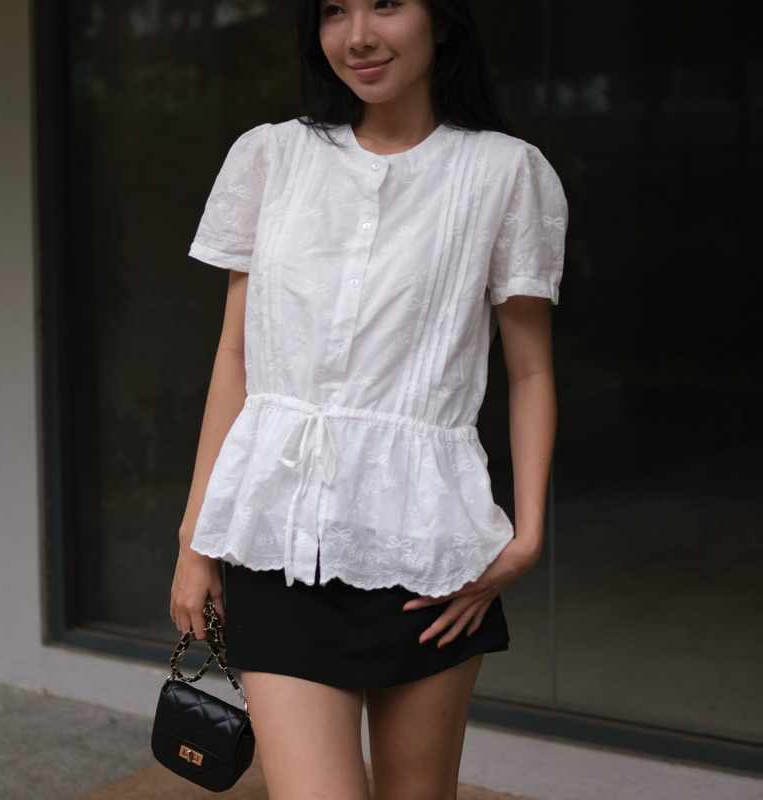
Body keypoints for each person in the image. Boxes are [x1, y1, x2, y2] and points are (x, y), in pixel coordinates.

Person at [170, 0, 567, 797]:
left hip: (430, 557)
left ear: (442, 20)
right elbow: (236, 357)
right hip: (279, 547)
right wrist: (194, 540)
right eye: (333, 11)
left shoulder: (505, 173)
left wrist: (525, 539)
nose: (358, 36)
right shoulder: (271, 157)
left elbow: (529, 371)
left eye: (386, 3)